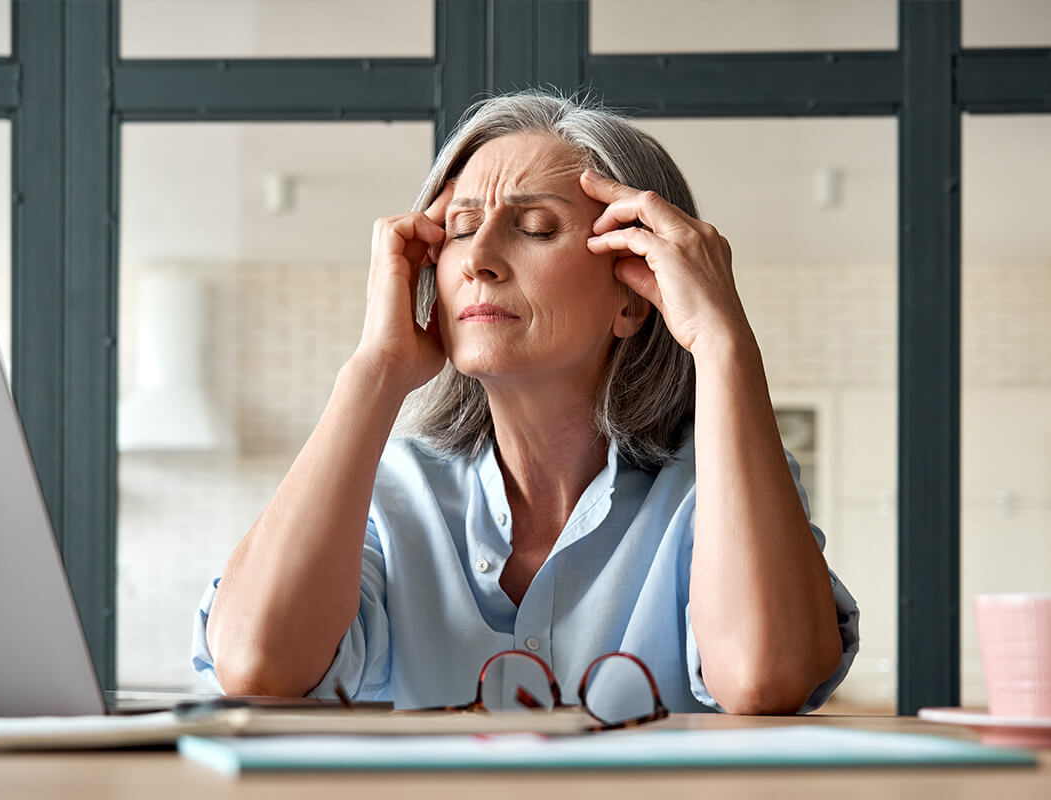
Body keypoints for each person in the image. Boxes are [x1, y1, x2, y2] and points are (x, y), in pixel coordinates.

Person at [193, 91, 859, 715]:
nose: (478, 258)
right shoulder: (383, 494)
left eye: (536, 228)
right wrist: (375, 369)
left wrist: (722, 342)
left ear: (636, 293)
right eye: (458, 229)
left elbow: (767, 678)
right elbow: (258, 668)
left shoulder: (714, 491)